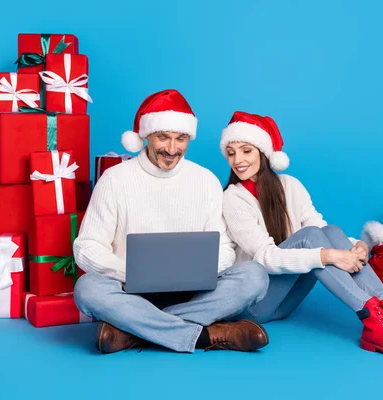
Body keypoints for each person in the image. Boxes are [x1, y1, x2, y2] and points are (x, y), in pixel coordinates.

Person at [219, 111, 383, 360]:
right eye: (231, 153)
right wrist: (329, 256)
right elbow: (265, 257)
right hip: (256, 307)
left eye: (246, 150)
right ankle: (372, 318)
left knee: (329, 231)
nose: (237, 160)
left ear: (263, 153)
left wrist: (356, 246)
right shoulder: (233, 197)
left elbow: (320, 229)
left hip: (286, 303)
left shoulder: (290, 185)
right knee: (311, 236)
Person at [72, 91, 270, 354]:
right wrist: (132, 273)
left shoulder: (206, 180)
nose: (172, 149)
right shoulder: (115, 179)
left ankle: (134, 330)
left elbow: (224, 248)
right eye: (163, 137)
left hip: (194, 292)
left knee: (254, 276)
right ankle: (207, 335)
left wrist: (195, 272)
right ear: (146, 136)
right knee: (87, 289)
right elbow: (86, 247)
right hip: (130, 292)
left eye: (181, 139)